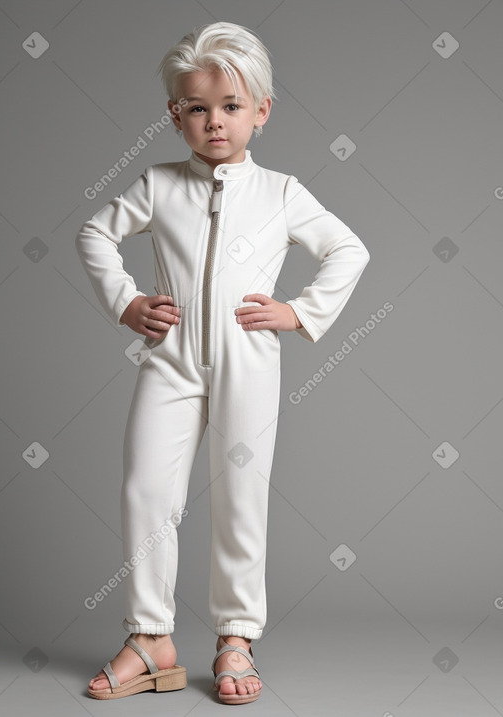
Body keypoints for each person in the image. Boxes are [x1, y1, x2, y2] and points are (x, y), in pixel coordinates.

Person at [75, 20, 370, 705]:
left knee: (242, 498)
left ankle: (237, 634)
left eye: (232, 107)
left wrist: (298, 311)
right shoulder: (158, 184)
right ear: (174, 114)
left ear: (261, 112)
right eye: (198, 108)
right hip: (170, 361)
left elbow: (348, 249)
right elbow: (95, 232)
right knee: (146, 489)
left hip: (248, 362)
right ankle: (151, 636)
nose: (215, 122)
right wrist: (125, 301)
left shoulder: (281, 192)